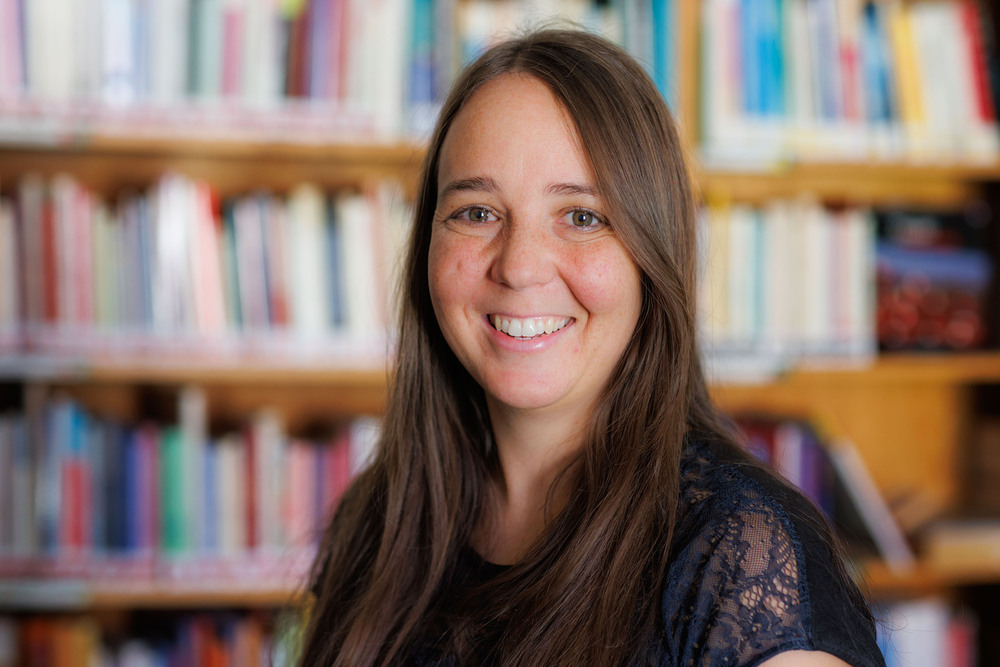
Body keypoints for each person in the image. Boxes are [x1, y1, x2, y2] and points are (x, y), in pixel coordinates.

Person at [300, 28, 885, 667]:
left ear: (651, 257)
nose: (519, 267)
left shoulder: (740, 557)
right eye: (477, 212)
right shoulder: (375, 523)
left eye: (582, 217)